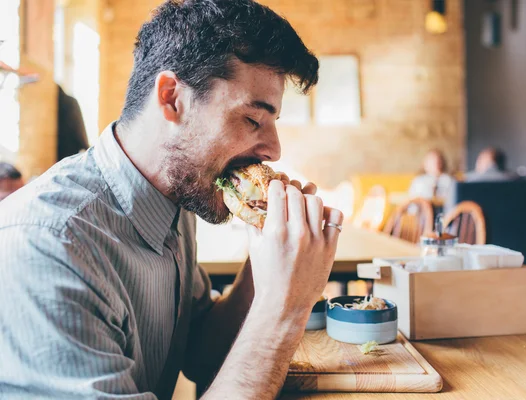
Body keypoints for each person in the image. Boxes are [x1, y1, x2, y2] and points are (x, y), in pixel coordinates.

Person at [0, 1, 344, 399]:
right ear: (171, 98)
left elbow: (202, 354)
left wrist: (269, 261)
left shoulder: (178, 195)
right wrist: (286, 309)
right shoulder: (48, 246)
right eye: (253, 119)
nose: (274, 150)